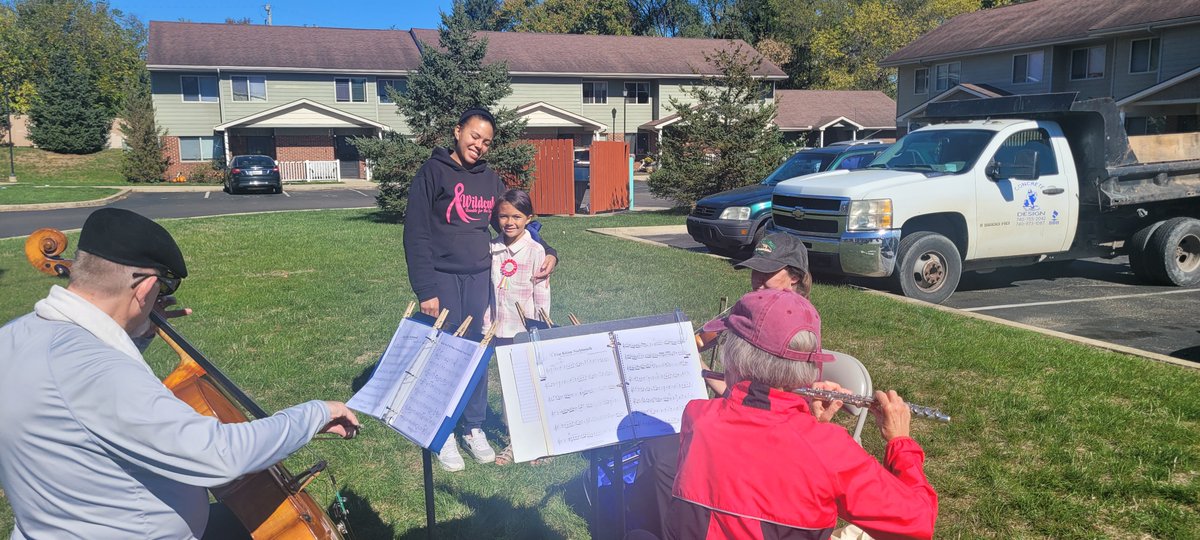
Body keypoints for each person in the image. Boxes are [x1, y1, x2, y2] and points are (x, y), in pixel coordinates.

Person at [0, 208, 361, 540]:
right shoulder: (96, 370)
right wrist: (316, 413)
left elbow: (91, 417)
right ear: (143, 287)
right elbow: (220, 456)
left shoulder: (16, 336)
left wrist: (134, 334)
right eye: (163, 288)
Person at [666, 289, 938, 539]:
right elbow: (918, 523)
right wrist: (900, 442)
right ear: (811, 369)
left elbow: (754, 470)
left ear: (735, 357)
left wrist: (808, 425)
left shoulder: (697, 417)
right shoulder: (829, 450)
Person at [403, 108, 558, 471]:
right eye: (474, 136)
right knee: (446, 353)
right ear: (458, 131)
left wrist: (548, 250)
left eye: (487, 141)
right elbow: (416, 233)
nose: (479, 145)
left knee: (475, 351)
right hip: (442, 278)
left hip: (478, 278)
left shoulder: (489, 180)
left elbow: (511, 220)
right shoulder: (433, 172)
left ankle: (473, 427)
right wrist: (425, 288)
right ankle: (443, 432)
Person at [479, 189, 553, 467]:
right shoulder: (493, 248)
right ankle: (516, 440)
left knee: (530, 388)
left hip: (525, 333)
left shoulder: (536, 251)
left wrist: (540, 328)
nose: (510, 222)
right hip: (499, 331)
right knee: (509, 390)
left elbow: (542, 293)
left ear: (528, 218)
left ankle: (540, 442)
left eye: (517, 217)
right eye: (503, 217)